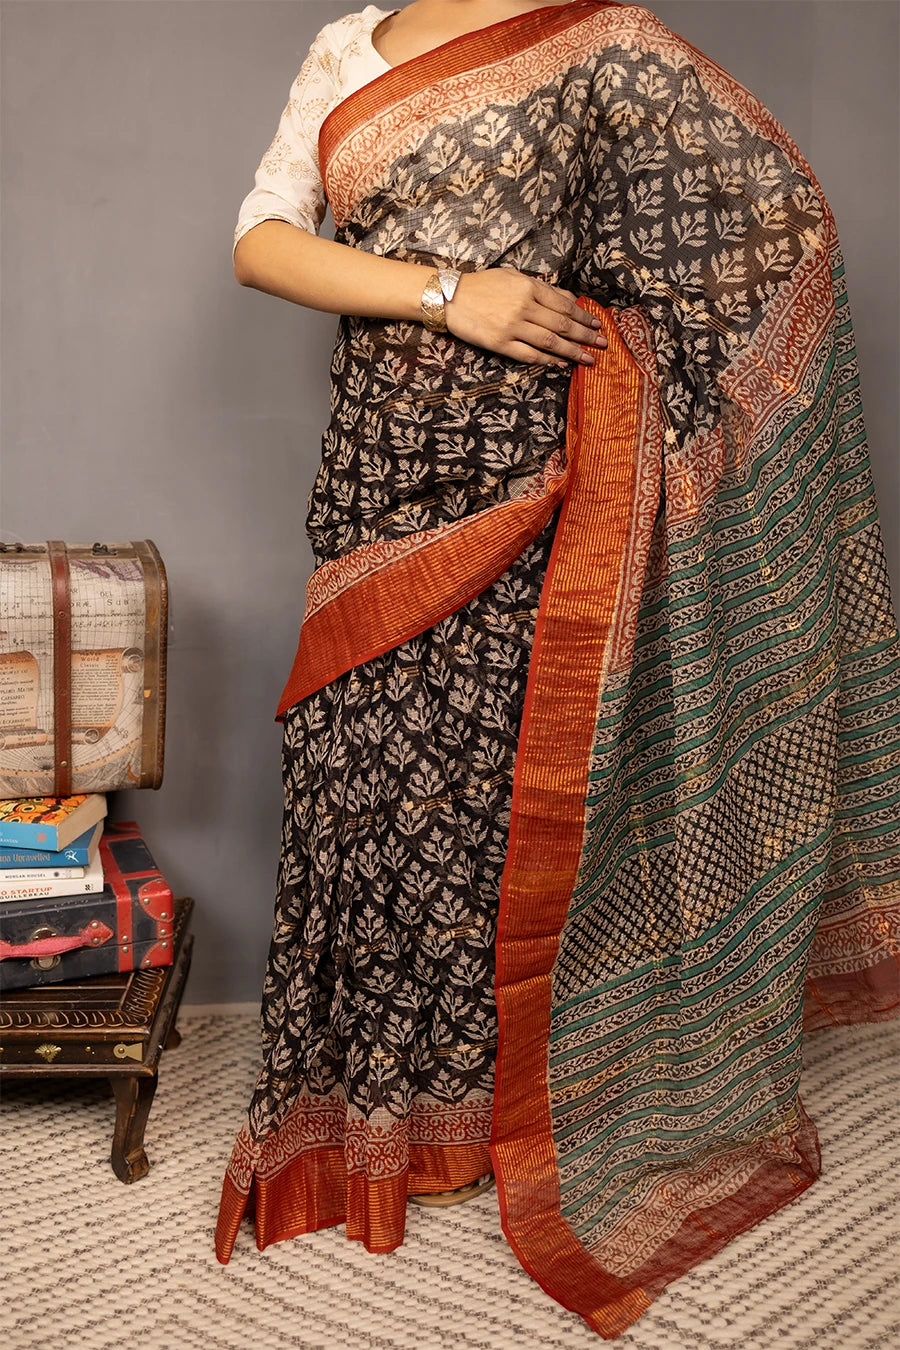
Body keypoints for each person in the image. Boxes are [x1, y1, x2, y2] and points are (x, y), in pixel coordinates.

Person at [216, 1, 900, 1338]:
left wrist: (628, 360)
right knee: (364, 774)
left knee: (493, 794)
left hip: (539, 480)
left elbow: (776, 233)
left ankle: (493, 1115)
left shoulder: (601, 42)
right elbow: (259, 240)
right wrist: (450, 291)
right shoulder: (350, 44)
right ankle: (388, 1112)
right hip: (379, 473)